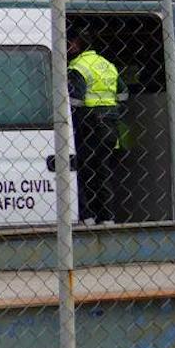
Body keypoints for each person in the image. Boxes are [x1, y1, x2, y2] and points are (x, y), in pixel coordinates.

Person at [67, 31, 121, 225]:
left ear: (77, 45)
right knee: (104, 169)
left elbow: (75, 100)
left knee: (84, 169)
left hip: (89, 123)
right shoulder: (108, 65)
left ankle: (87, 215)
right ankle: (107, 217)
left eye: (69, 43)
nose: (67, 47)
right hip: (111, 122)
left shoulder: (77, 67)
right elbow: (123, 93)